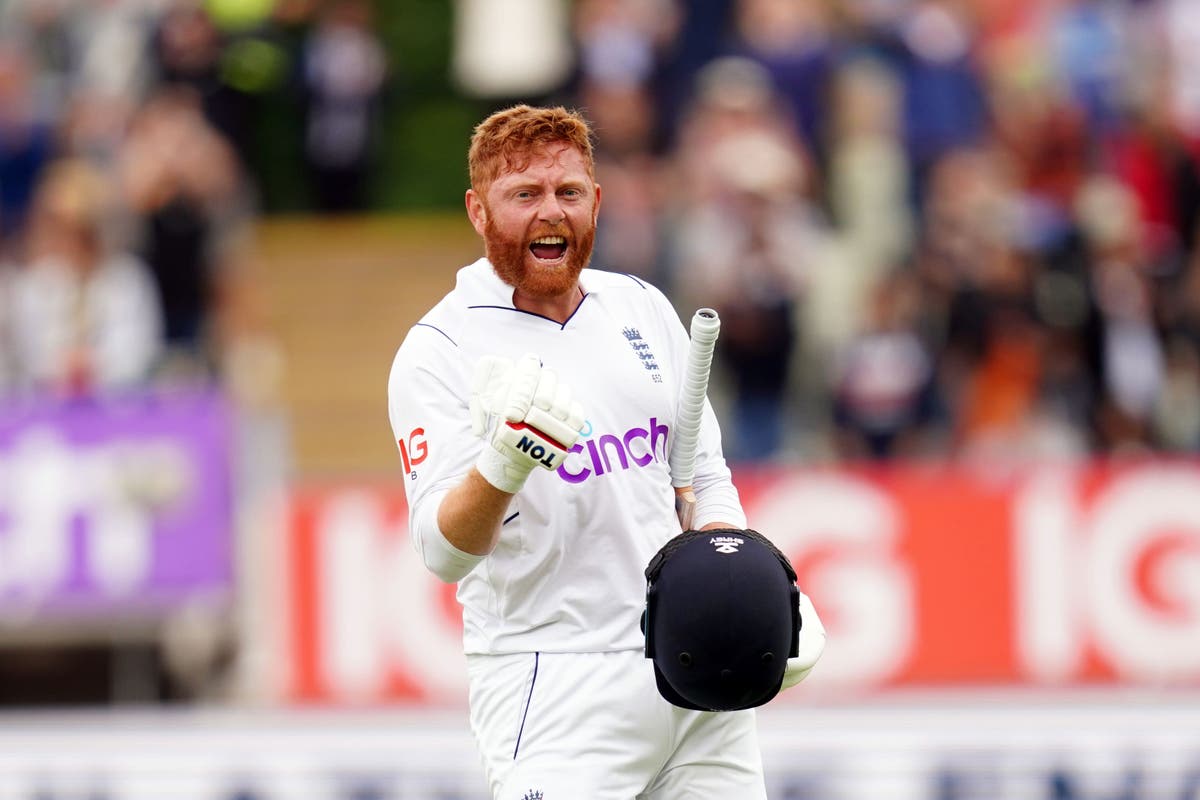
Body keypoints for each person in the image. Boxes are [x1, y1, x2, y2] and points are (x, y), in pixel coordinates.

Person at [386, 104, 824, 799]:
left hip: (690, 666)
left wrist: (737, 582)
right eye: (523, 195)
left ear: (597, 201)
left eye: (568, 192)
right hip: (555, 681)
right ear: (478, 211)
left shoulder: (639, 306)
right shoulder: (438, 352)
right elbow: (443, 553)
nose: (550, 213)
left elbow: (703, 473)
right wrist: (505, 463)